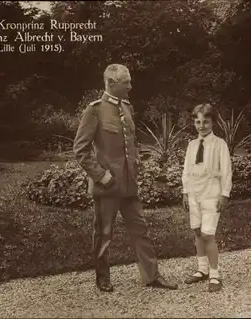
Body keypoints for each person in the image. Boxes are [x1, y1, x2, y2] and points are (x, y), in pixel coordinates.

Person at [73, 64, 178, 292]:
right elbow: (80, 149)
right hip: (107, 186)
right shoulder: (95, 110)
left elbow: (131, 144)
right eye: (126, 82)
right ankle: (103, 278)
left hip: (129, 185)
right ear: (111, 83)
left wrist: (138, 166)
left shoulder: (128, 108)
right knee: (104, 233)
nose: (131, 86)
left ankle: (152, 276)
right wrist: (100, 175)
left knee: (141, 230)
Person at [181, 103, 232, 292]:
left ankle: (215, 274)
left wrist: (224, 194)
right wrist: (185, 193)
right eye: (198, 121)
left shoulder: (220, 144)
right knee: (197, 232)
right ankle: (202, 269)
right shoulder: (192, 145)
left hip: (212, 192)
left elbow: (226, 171)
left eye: (206, 122)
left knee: (208, 234)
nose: (201, 126)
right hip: (194, 193)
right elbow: (186, 170)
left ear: (213, 123)